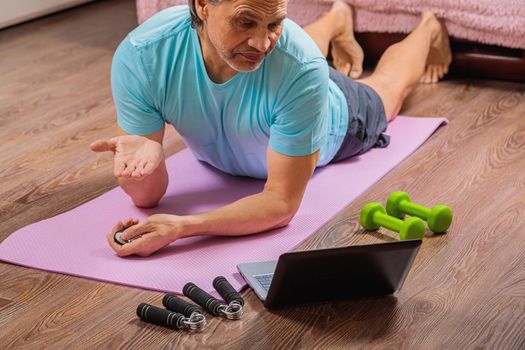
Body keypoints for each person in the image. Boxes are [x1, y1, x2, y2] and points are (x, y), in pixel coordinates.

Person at [90, 0, 451, 257]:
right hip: (290, 83)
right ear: (202, 5)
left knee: (388, 85)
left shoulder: (298, 65)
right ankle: (337, 19)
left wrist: (183, 227)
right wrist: (143, 166)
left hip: (340, 118)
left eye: (276, 23)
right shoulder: (142, 56)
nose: (262, 41)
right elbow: (147, 198)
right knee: (272, 56)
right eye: (245, 21)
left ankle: (428, 29)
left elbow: (280, 203)